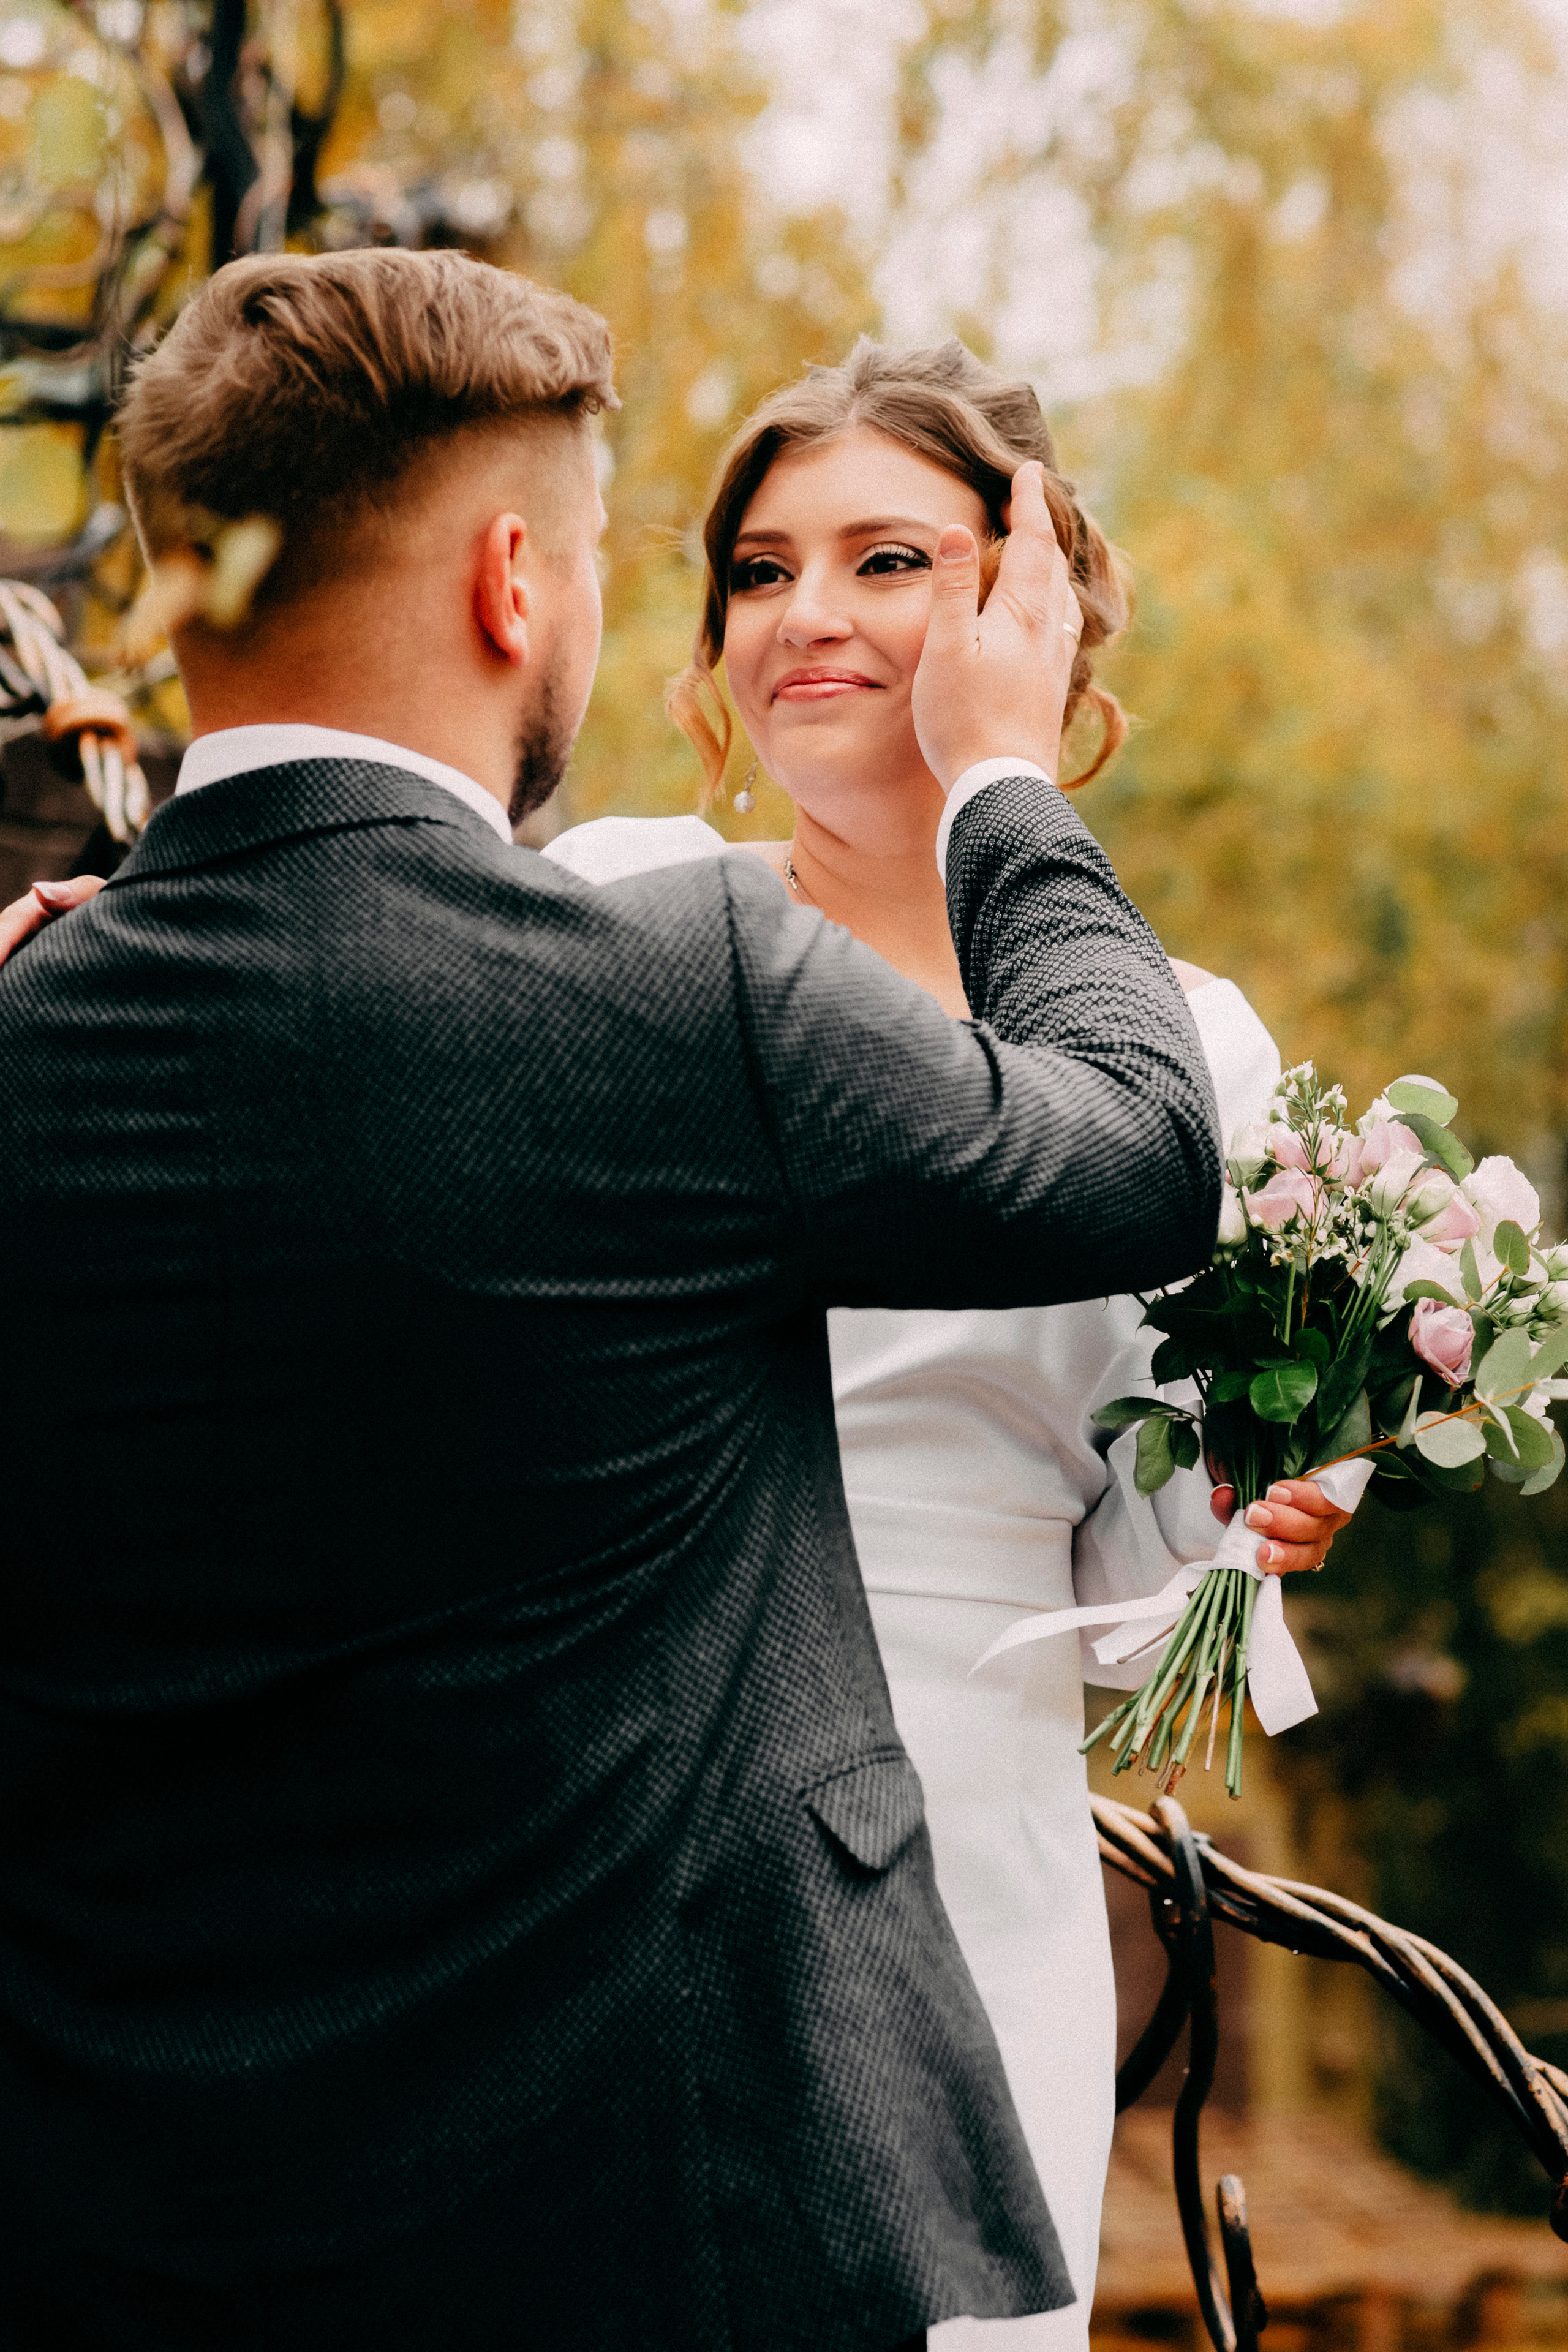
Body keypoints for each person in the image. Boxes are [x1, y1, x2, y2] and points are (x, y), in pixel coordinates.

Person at [0, 252, 1223, 2349]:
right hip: (635, 2210)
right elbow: (1131, 1148)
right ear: (510, 584)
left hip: (110, 2223)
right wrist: (1012, 785)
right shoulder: (678, 992)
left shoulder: (30, 1019)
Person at [541, 337, 1353, 2349]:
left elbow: (1128, 1601)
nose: (802, 617)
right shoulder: (602, 912)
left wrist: (1261, 1510)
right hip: (591, 1830)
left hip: (964, 1839)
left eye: (886, 560)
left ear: (1029, 602)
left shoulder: (1192, 1050)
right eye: (757, 568)